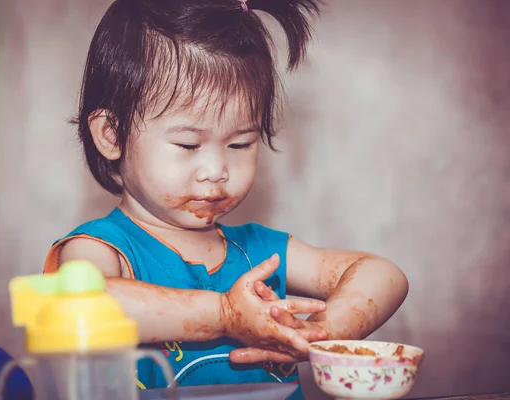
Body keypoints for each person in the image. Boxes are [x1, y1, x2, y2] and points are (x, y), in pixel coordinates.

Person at [43, 0, 409, 397]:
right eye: (188, 144)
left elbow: (384, 274)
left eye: (239, 143)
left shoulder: (260, 252)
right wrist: (224, 315)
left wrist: (322, 332)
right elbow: (78, 304)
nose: (217, 169)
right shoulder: (103, 250)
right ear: (112, 135)